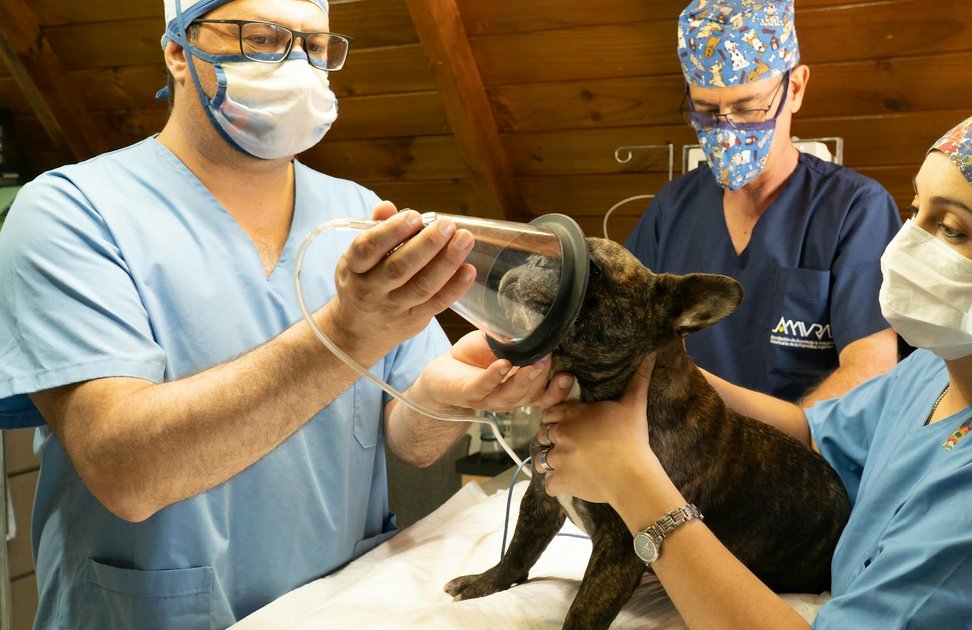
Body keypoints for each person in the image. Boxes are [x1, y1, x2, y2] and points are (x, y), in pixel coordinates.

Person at [0, 0, 571, 627]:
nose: (295, 65)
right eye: (261, 38)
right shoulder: (71, 213)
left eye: (314, 46)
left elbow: (410, 440)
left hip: (336, 606)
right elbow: (128, 474)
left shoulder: (356, 213)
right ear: (177, 51)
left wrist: (452, 395)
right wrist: (348, 333)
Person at [537, 97, 972, 628]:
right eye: (916, 210)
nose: (906, 244)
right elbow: (818, 430)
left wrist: (634, 483)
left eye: (953, 229)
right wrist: (657, 373)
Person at [625, 0, 900, 409]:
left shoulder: (855, 210)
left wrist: (761, 451)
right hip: (674, 461)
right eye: (706, 112)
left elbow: (870, 370)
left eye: (747, 108)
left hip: (796, 458)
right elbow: (623, 335)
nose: (727, 131)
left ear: (795, 89)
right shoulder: (673, 209)